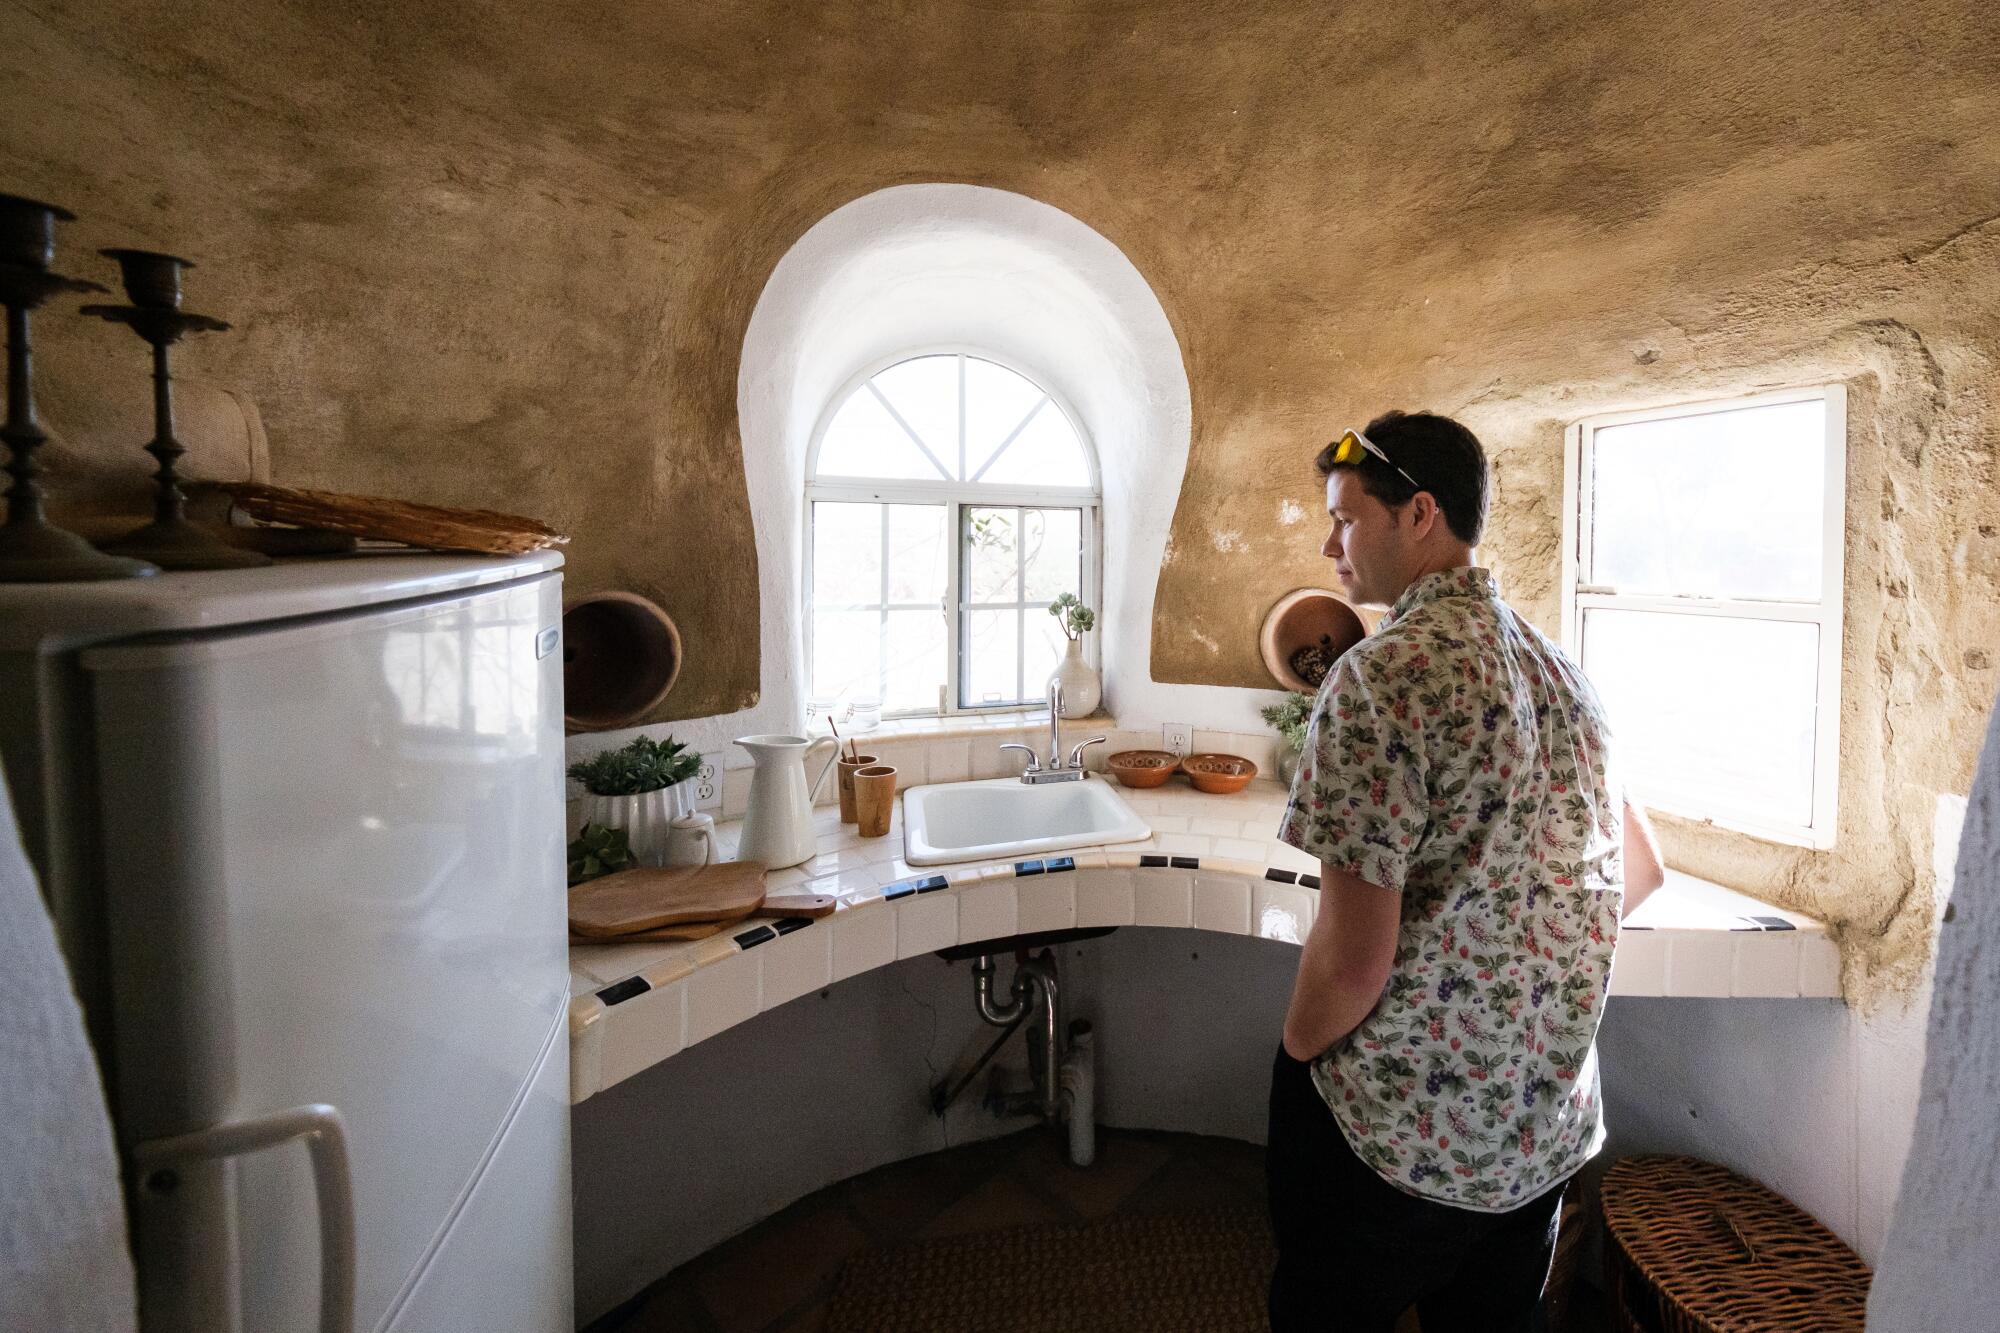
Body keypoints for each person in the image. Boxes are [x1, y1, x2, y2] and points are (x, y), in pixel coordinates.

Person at [1267, 410, 1665, 1332]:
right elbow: (1638, 870)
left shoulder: (1380, 677)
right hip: (1538, 1133)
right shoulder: (1565, 675)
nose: (1330, 543)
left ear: (1420, 514)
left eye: (1346, 516)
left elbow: (1352, 964)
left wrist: (1293, 1058)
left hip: (1398, 1133)